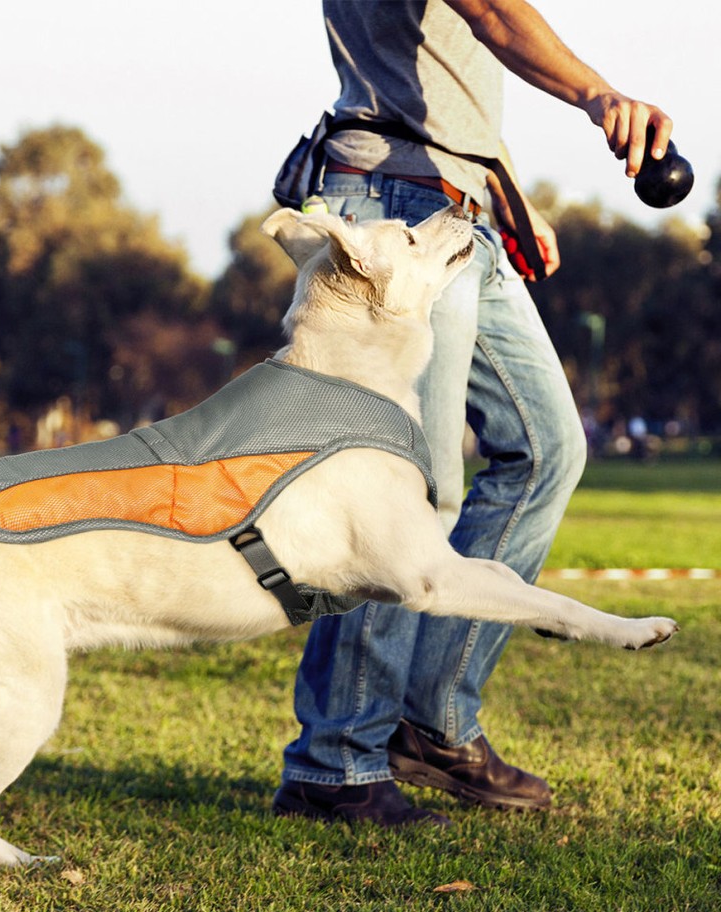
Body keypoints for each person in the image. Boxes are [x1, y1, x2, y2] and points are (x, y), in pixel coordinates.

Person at [272, 0, 673, 827]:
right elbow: (490, 10)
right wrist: (597, 95)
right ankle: (336, 762)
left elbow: (443, 73)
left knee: (547, 448)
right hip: (397, 206)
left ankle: (434, 723)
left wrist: (503, 188)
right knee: (408, 492)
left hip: (457, 203)